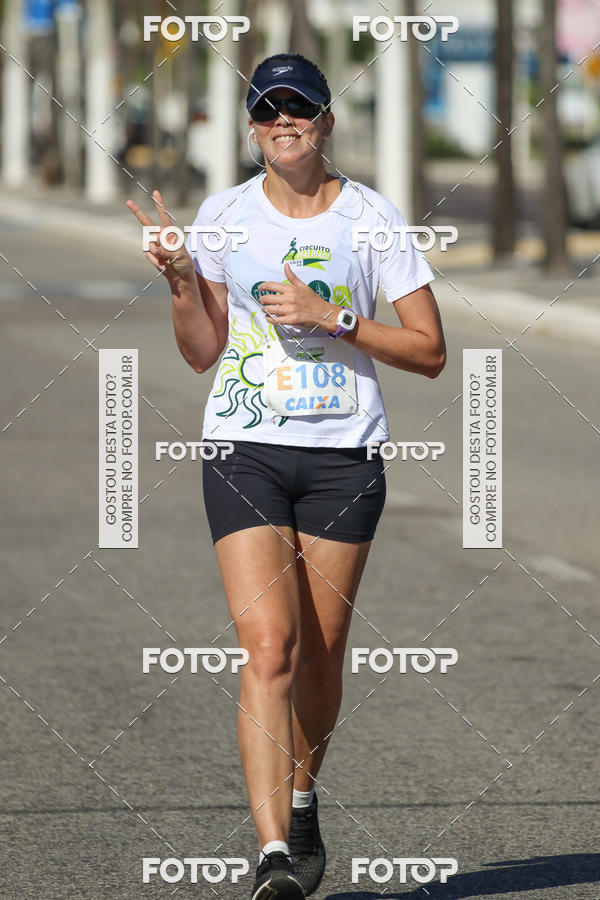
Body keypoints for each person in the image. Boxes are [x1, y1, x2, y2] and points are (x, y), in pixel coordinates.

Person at [128, 52, 446, 900]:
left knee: (322, 655)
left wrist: (334, 318)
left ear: (326, 120)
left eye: (297, 106)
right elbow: (201, 353)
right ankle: (274, 856)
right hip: (246, 448)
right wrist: (181, 281)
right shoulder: (224, 214)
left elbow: (430, 352)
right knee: (268, 646)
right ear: (252, 125)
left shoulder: (373, 220)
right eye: (266, 109)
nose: (282, 120)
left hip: (345, 457)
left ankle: (303, 796)